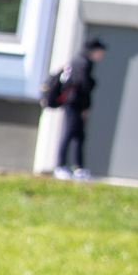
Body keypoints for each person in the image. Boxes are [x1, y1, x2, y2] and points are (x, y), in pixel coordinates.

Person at [50, 38, 107, 180]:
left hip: (75, 103)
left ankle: (78, 168)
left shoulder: (77, 61)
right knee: (69, 133)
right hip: (74, 104)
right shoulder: (84, 63)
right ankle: (60, 166)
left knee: (78, 136)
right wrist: (85, 106)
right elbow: (83, 86)